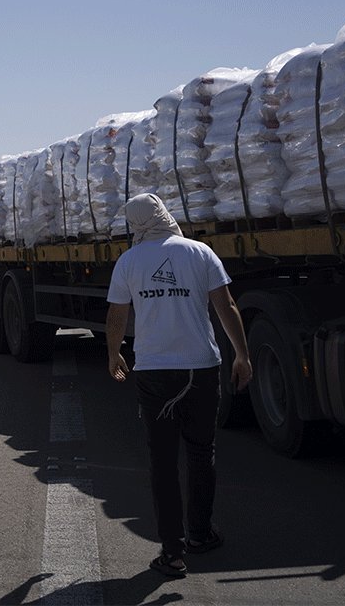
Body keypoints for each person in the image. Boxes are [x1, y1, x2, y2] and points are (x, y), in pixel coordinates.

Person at [104, 193, 251, 579]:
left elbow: (117, 315)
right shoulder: (200, 253)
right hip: (201, 368)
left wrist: (113, 354)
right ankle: (200, 533)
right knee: (202, 452)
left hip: (154, 373)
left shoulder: (129, 261)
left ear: (135, 225)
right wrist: (242, 355)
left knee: (163, 463)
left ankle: (172, 553)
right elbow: (226, 305)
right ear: (164, 214)